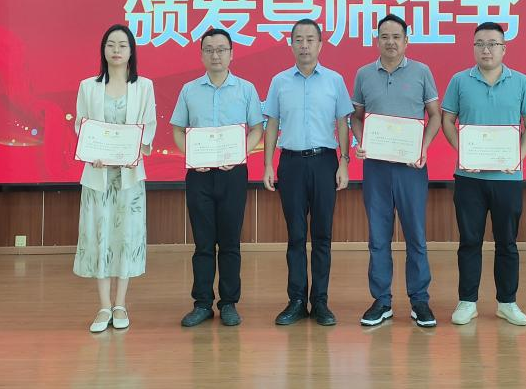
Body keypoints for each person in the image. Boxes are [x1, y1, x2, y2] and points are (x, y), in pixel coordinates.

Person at [440, 21, 526, 327]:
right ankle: (467, 302)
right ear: (473, 48)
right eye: (480, 43)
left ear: (503, 48)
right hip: (469, 178)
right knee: (469, 241)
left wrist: (517, 156)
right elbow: (447, 120)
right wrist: (462, 151)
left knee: (507, 242)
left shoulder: (521, 82)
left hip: (508, 179)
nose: (486, 49)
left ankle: (507, 303)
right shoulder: (459, 81)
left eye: (493, 44)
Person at [350, 14, 441, 328]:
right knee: (378, 237)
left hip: (410, 168)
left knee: (416, 235)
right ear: (377, 40)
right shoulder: (364, 74)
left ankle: (420, 301)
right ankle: (382, 301)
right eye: (384, 36)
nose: (390, 42)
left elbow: (434, 115)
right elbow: (356, 117)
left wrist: (423, 147)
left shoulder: (421, 72)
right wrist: (361, 141)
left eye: (396, 36)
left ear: (406, 40)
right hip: (376, 167)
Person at [170, 29, 264, 328]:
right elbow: (177, 129)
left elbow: (257, 129)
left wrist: (239, 153)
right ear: (201, 55)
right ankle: (201, 303)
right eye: (209, 49)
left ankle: (229, 303)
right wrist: (190, 155)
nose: (216, 55)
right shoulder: (189, 90)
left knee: (230, 242)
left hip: (233, 173)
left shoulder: (246, 89)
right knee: (203, 243)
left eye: (221, 49)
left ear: (232, 53)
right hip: (199, 175)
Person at [262, 18, 353, 326]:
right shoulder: (279, 81)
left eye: (310, 39)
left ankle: (321, 301)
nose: (304, 45)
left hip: (325, 161)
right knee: (296, 235)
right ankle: (297, 301)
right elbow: (272, 124)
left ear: (320, 44)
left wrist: (344, 162)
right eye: (298, 40)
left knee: (323, 235)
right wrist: (267, 164)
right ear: (291, 45)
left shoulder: (335, 80)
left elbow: (343, 123)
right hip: (291, 163)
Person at [73, 24, 157, 333]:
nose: (117, 50)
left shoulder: (144, 86)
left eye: (123, 44)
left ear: (132, 51)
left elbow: (148, 126)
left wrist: (132, 150)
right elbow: (81, 125)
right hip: (98, 176)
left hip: (129, 177)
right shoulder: (88, 87)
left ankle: (120, 303)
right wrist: (91, 150)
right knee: (100, 237)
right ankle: (103, 306)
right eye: (111, 44)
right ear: (103, 50)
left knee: (126, 238)